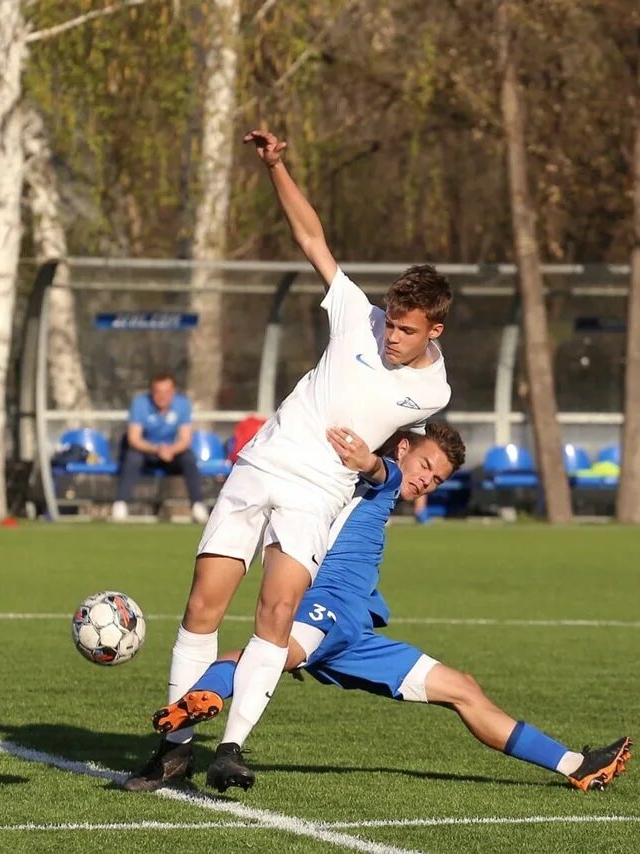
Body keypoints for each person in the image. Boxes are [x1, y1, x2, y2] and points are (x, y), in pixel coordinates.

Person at [123, 128, 453, 792]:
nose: (390, 335)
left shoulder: (434, 391)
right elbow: (311, 240)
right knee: (202, 606)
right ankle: (175, 748)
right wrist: (277, 167)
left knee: (275, 613)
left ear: (434, 331)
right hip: (261, 466)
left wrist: (372, 463)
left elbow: (398, 450)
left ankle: (233, 747)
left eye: (405, 328)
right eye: (390, 320)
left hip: (315, 497)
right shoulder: (356, 315)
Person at [149, 424, 633, 793]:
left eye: (437, 479)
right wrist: (372, 455)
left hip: (353, 634)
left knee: (461, 688)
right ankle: (201, 696)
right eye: (425, 466)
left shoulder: (369, 487)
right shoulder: (378, 475)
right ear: (403, 447)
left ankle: (576, 765)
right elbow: (381, 469)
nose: (426, 482)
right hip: (328, 609)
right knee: (263, 653)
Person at [112, 373, 209, 523]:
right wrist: (157, 450)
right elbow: (134, 439)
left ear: (173, 392)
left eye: (167, 392)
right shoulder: (140, 404)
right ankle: (120, 504)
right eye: (158, 392)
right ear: (152, 392)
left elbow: (185, 440)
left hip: (171, 453)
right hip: (146, 451)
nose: (162, 397)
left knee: (189, 458)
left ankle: (197, 505)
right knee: (132, 457)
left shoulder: (182, 404)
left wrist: (170, 450)